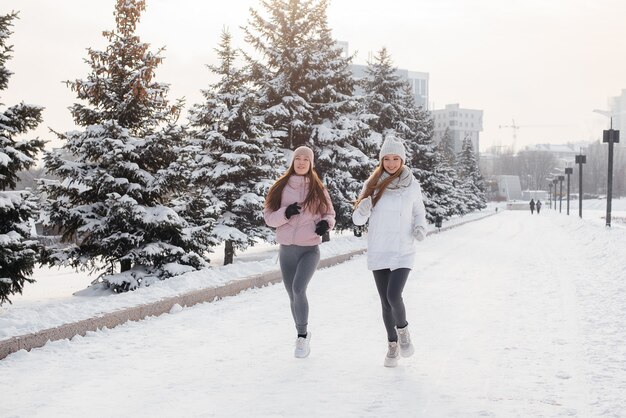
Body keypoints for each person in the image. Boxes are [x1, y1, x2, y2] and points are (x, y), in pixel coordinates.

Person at [352, 136, 427, 368]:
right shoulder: (372, 184)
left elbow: (419, 211)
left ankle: (403, 330)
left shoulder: (412, 185)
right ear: (381, 160)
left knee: (394, 295)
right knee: (385, 303)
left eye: (396, 159)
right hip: (380, 248)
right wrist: (363, 208)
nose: (392, 163)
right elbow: (357, 219)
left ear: (402, 160)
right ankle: (392, 345)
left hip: (403, 249)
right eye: (387, 159)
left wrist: (420, 226)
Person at [263, 146, 336, 359]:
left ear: (311, 163)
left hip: (309, 250)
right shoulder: (280, 187)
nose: (302, 162)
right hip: (286, 250)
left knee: (298, 289)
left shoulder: (318, 188)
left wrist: (325, 224)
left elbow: (330, 214)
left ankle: (302, 337)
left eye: (306, 159)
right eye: (298, 159)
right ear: (293, 161)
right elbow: (268, 218)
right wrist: (285, 213)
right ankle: (301, 332)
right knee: (291, 294)